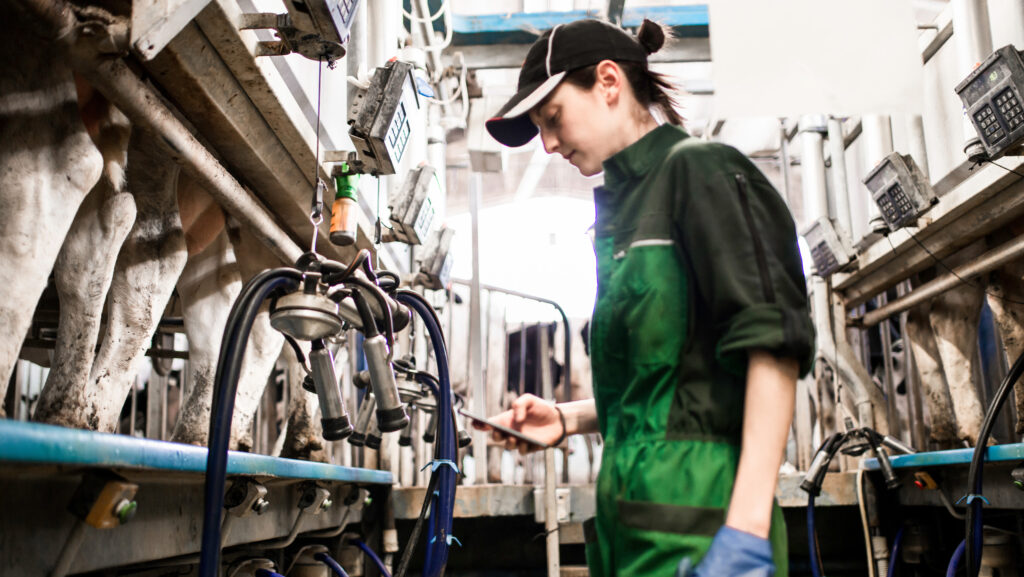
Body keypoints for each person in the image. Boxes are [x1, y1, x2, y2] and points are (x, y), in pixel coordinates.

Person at [479, 18, 815, 577]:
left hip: (703, 529)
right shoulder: (626, 213)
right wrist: (565, 419)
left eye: (553, 118)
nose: (549, 143)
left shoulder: (700, 171)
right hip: (630, 531)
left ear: (609, 82)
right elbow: (666, 389)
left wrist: (747, 532)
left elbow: (772, 348)